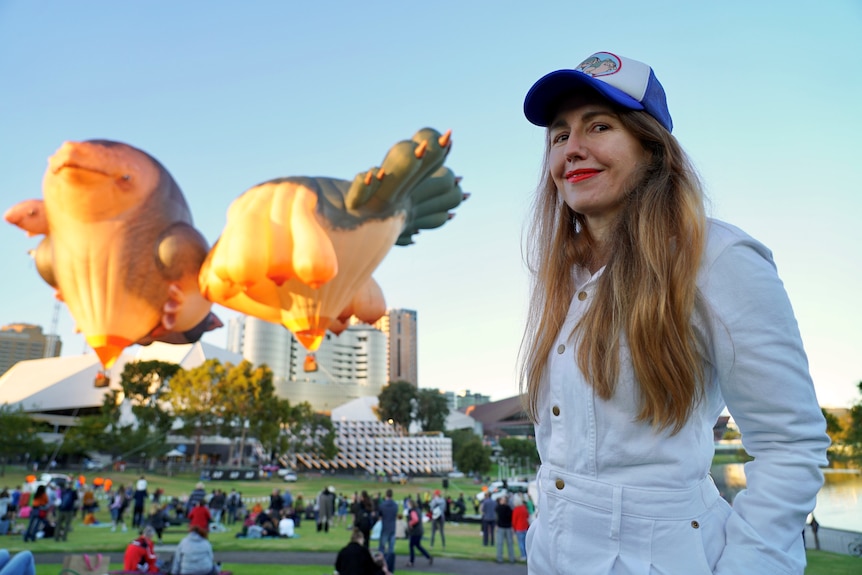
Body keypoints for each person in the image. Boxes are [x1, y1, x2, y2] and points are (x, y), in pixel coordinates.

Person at [519, 50, 831, 574]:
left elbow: (790, 445)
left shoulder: (716, 258)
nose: (572, 149)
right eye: (558, 135)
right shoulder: (560, 278)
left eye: (599, 126)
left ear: (652, 148)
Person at [404, 498, 432, 568]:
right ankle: (428, 557)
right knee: (418, 545)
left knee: (411, 546)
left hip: (415, 531)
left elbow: (415, 519)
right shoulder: (418, 510)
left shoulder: (412, 511)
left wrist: (410, 523)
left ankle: (411, 561)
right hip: (419, 530)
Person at [376, 489, 398, 557]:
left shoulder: (382, 505)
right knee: (391, 548)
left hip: (385, 526)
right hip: (392, 527)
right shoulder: (395, 505)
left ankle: (381, 562)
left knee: (382, 547)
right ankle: (390, 563)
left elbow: (379, 515)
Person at [495, 495, 515, 564]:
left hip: (501, 527)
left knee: (500, 543)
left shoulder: (498, 508)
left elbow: (497, 516)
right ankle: (511, 558)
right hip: (508, 527)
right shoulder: (509, 508)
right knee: (510, 544)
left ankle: (499, 558)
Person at [511, 495, 529, 562]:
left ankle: (523, 555)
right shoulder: (524, 508)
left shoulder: (516, 510)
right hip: (525, 527)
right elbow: (527, 516)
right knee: (525, 542)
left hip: (519, 528)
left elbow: (514, 520)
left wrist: (514, 528)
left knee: (520, 542)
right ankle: (526, 555)